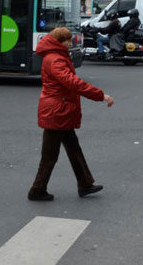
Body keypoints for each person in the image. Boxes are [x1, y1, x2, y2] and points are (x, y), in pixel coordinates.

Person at [28, 27, 114, 201]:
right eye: (67, 40)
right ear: (59, 42)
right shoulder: (55, 59)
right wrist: (100, 95)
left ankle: (85, 184)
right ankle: (37, 190)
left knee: (74, 150)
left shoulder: (56, 56)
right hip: (57, 111)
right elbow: (72, 82)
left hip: (61, 110)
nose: (70, 43)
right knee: (50, 156)